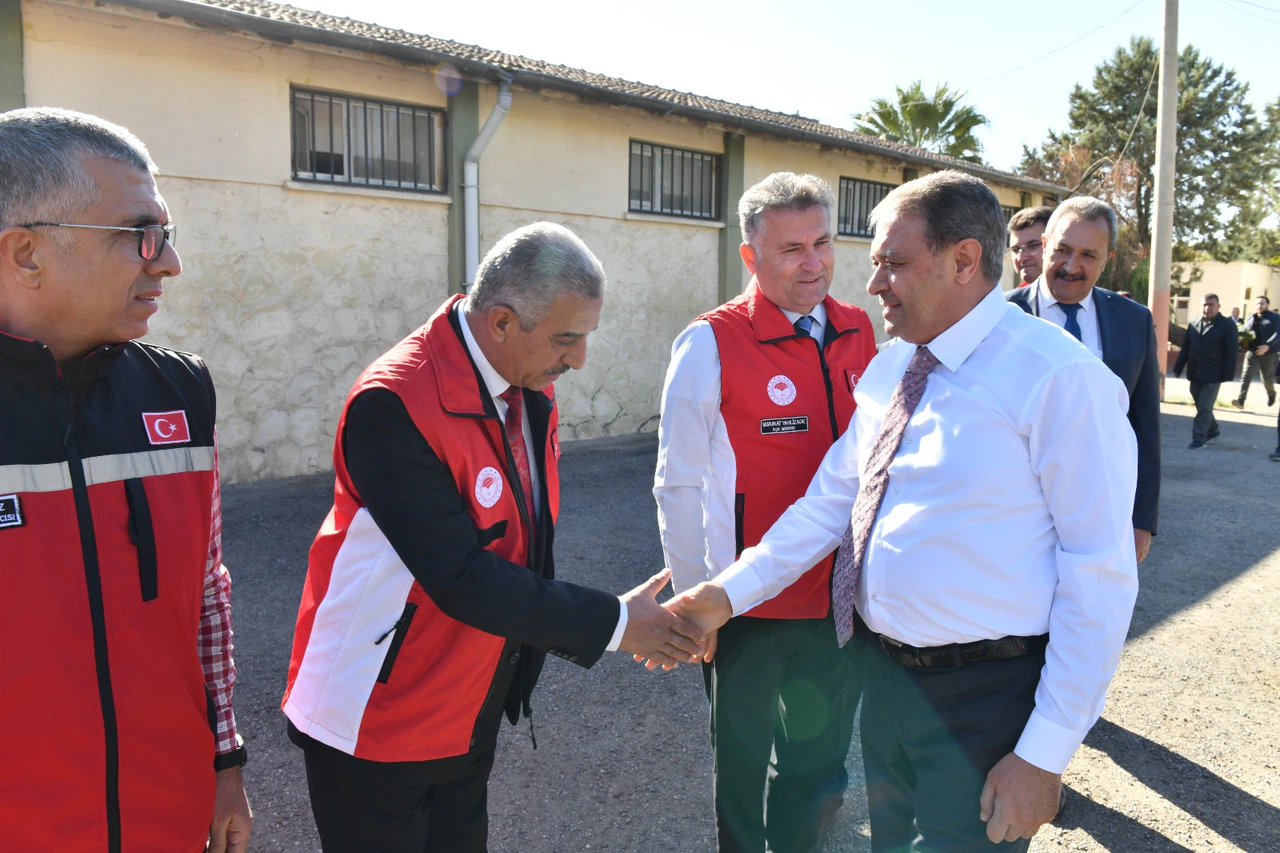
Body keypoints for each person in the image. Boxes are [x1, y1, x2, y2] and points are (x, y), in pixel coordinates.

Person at [659, 170, 1139, 852]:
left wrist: (1043, 755)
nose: (873, 283)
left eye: (894, 263)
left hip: (985, 700)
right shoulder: (892, 367)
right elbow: (828, 505)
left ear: (964, 260)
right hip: (885, 686)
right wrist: (723, 594)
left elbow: (1099, 572)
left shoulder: (1059, 378)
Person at [282, 222, 706, 852]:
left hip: (467, 698)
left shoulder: (526, 384)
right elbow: (461, 576)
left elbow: (522, 542)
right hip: (376, 713)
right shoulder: (392, 402)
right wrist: (617, 623)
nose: (580, 359)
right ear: (502, 322)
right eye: (567, 338)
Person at [0, 108, 252, 851]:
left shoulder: (181, 392)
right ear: (26, 254)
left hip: (168, 818)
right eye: (141, 234)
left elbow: (206, 595)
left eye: (167, 234)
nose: (169, 263)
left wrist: (226, 762)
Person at [653, 172, 877, 852]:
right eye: (791, 249)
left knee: (816, 764)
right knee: (741, 769)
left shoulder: (858, 328)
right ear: (750, 256)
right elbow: (677, 484)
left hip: (836, 598)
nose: (813, 264)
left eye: (822, 243)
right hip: (743, 602)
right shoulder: (710, 342)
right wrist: (694, 601)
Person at [1006, 197, 1161, 563]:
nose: (1071, 266)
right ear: (1045, 245)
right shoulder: (1002, 315)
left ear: (1109, 258)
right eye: (1062, 249)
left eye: (1089, 255)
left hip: (1102, 509)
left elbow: (1144, 425)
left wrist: (1142, 520)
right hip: (1017, 512)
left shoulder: (1134, 321)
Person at [1174, 294, 1239, 449]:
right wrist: (1178, 367)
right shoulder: (1194, 323)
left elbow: (1232, 351)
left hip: (1214, 373)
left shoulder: (1227, 325)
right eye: (1205, 304)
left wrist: (1228, 374)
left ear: (1218, 306)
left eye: (1211, 305)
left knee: (1204, 405)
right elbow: (1186, 348)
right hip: (1195, 372)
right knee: (1201, 404)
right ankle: (1213, 430)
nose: (1207, 308)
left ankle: (1199, 438)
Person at [1232, 295, 1279, 408]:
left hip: (1269, 353)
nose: (1259, 306)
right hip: (1252, 352)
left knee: (1266, 378)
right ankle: (1241, 400)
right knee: (1246, 375)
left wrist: (1268, 345)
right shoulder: (1251, 318)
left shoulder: (1275, 318)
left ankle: (1271, 393)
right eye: (1257, 303)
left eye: (1262, 303)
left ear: (1267, 305)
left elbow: (1278, 333)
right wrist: (1241, 339)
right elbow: (1245, 332)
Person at [1007, 206, 1052, 288]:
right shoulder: (1016, 296)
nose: (1021, 258)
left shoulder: (1076, 294)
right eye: (1016, 250)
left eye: (1033, 246)